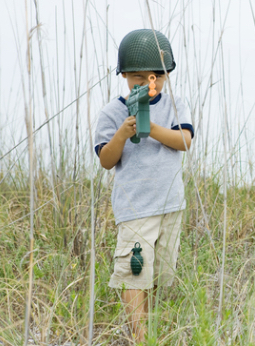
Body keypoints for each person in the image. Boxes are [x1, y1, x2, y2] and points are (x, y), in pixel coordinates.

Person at [94, 29, 193, 344]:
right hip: (135, 208)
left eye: (156, 78)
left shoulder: (175, 105)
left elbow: (184, 141)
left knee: (161, 275)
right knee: (135, 273)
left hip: (170, 205)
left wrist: (151, 128)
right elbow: (106, 160)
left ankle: (152, 330)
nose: (149, 84)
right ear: (124, 75)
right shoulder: (112, 113)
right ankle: (140, 337)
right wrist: (123, 133)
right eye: (138, 78)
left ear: (165, 76)